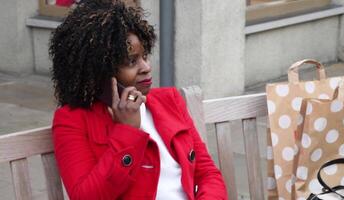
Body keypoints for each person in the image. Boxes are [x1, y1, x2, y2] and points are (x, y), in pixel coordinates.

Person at [50, 0, 227, 199]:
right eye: (132, 61)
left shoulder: (169, 101)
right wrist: (126, 132)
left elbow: (208, 174)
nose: (146, 67)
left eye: (145, 56)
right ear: (98, 71)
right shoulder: (72, 121)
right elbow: (86, 196)